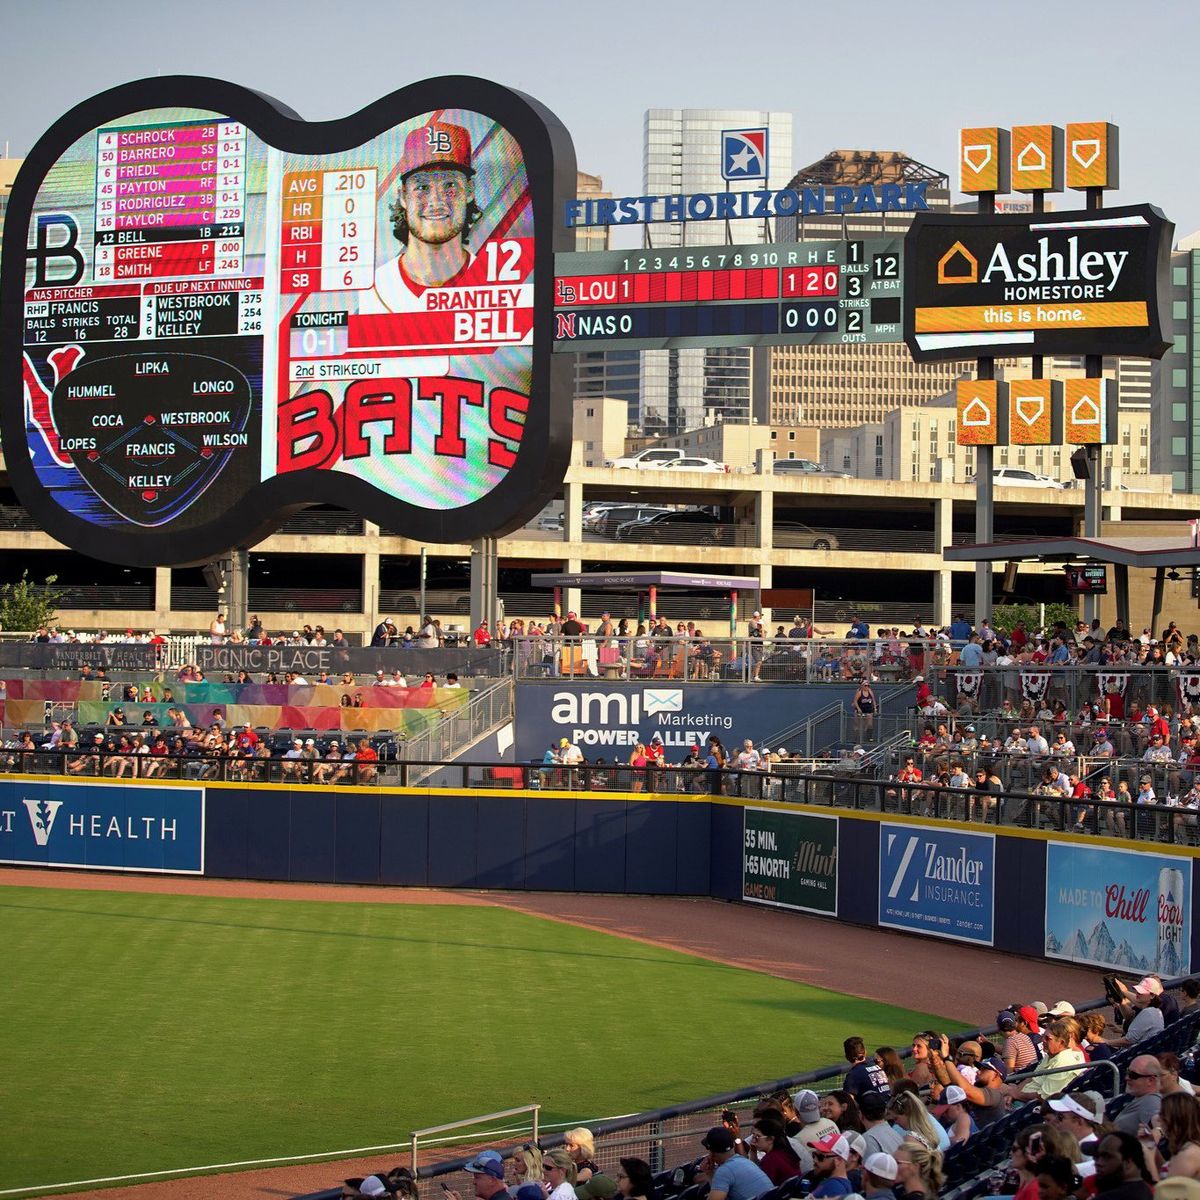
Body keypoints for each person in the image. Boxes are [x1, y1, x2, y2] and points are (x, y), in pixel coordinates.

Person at [699, 1126, 772, 1200]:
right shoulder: (746, 1161)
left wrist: (709, 1174)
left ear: (712, 1153)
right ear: (733, 1145)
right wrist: (710, 1173)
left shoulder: (724, 1171)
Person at [1092, 1132, 1155, 1200]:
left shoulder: (1110, 1198)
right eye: (1097, 1157)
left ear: (1128, 1162)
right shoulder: (1145, 1190)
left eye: (1107, 1157)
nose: (1098, 1163)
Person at [1113, 1056, 1163, 1135]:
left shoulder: (1152, 1101)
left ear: (1150, 1080)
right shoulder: (1143, 1099)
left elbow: (1161, 1135)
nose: (1127, 1078)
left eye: (1133, 1075)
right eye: (1127, 1072)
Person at [750, 1115, 801, 1185]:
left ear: (770, 1139)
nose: (753, 1140)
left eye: (757, 1136)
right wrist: (753, 1151)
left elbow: (761, 1185)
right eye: (753, 1136)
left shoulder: (770, 1159)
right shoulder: (785, 1152)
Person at [807, 1132, 854, 1197]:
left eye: (820, 1157)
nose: (815, 1160)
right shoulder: (832, 1183)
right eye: (814, 1155)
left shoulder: (834, 1189)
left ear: (838, 1160)